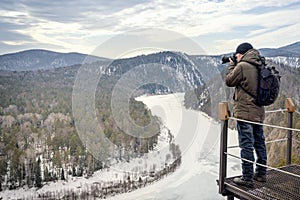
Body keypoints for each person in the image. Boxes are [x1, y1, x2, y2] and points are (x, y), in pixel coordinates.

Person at [225, 42, 267, 188]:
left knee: (246, 145)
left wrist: (232, 65)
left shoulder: (242, 66)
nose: (236, 56)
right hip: (258, 112)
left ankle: (247, 178)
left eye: (237, 54)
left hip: (245, 113)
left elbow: (229, 80)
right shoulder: (259, 64)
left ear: (242, 54)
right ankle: (261, 173)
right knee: (259, 143)